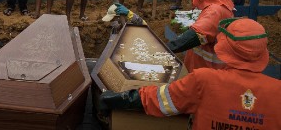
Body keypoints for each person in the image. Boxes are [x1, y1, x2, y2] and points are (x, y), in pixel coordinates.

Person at [98, 18, 281, 130]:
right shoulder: (277, 92)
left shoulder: (205, 80)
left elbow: (159, 99)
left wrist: (118, 98)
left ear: (225, 49)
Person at [106, 0, 234, 72]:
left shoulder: (215, 11)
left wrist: (161, 50)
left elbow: (192, 36)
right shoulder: (216, 7)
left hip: (209, 73)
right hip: (203, 71)